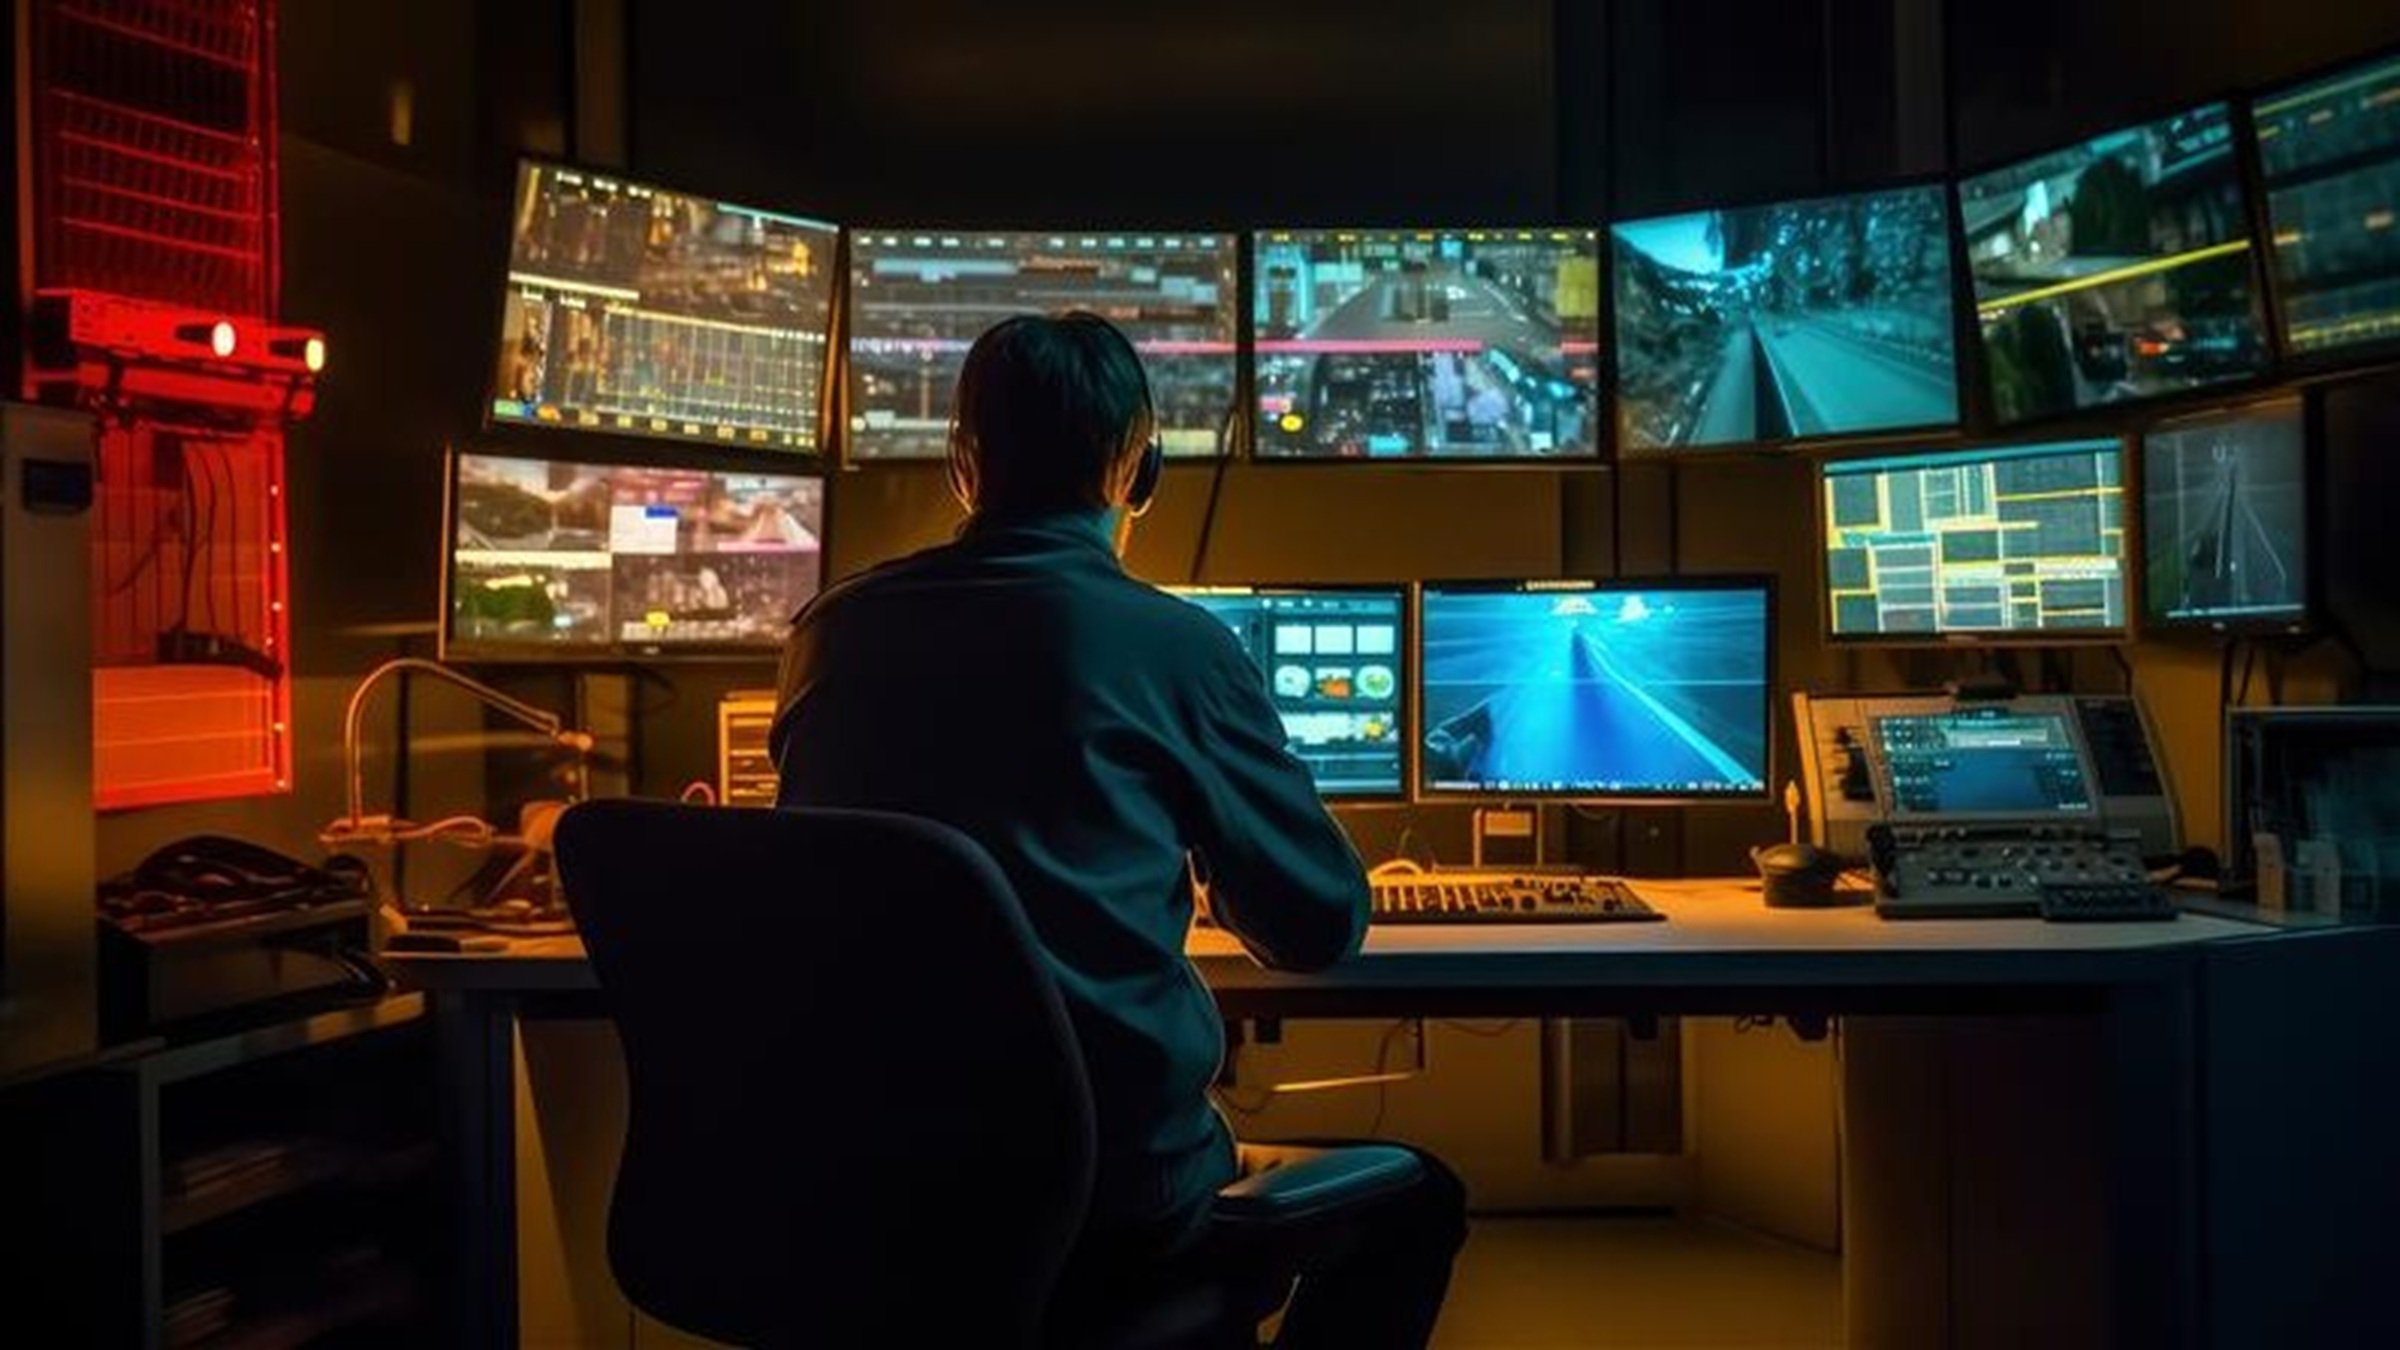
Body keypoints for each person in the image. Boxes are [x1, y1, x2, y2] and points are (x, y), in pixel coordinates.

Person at [770, 312, 1464, 1346]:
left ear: (964, 466)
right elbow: (1317, 926)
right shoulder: (1177, 648)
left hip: (876, 1193)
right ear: (1142, 476)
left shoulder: (827, 633)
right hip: (1116, 1196)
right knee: (1418, 1200)